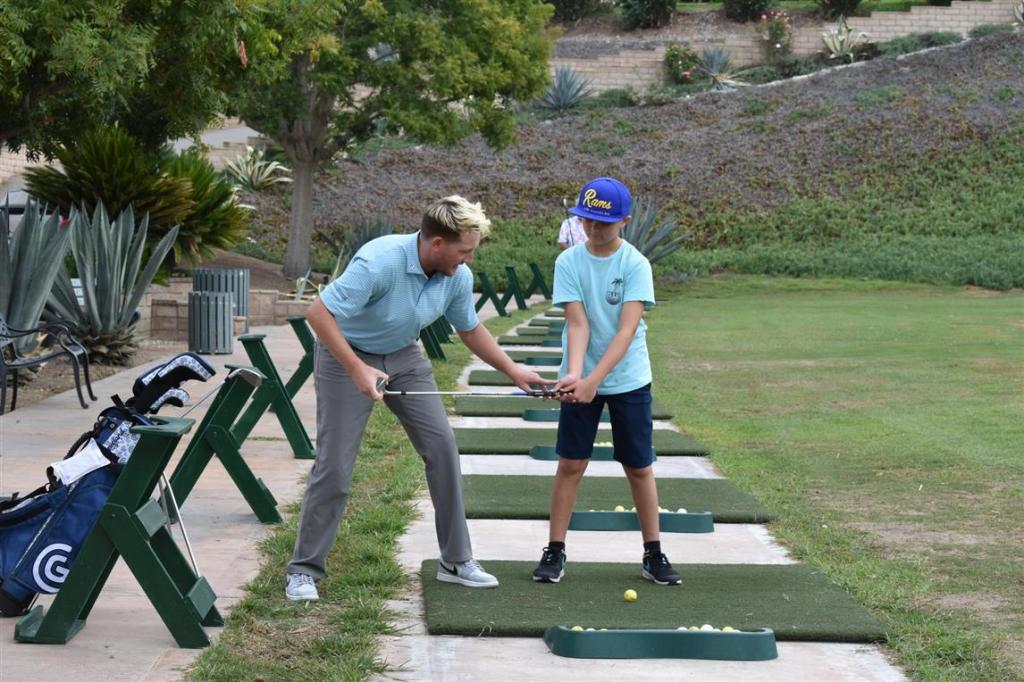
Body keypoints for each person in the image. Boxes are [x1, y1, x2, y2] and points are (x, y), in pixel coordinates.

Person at [286, 195, 550, 601]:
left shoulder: (455, 277)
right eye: (465, 251)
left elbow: (470, 329)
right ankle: (303, 570)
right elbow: (318, 314)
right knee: (335, 464)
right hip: (347, 355)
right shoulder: (379, 262)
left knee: (443, 448)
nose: (469, 260)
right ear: (437, 244)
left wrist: (513, 370)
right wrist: (358, 369)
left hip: (405, 356)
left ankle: (456, 561)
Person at [532, 177, 681, 587]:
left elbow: (626, 331)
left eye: (603, 224)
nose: (594, 231)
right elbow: (577, 324)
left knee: (638, 466)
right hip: (584, 375)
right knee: (571, 463)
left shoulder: (635, 264)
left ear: (624, 221)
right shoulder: (569, 262)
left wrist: (596, 379)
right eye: (586, 222)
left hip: (629, 378)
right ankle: (555, 550)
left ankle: (653, 552)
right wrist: (576, 375)